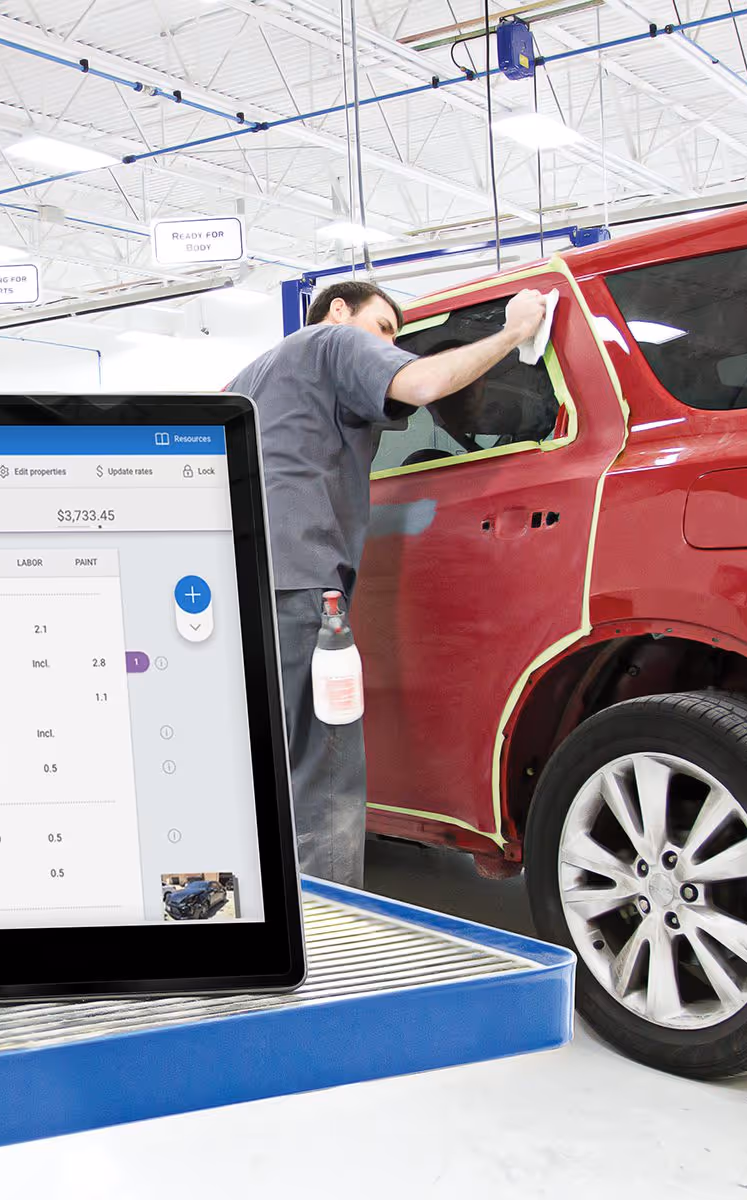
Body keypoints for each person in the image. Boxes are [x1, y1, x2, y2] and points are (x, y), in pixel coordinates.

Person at [226, 280, 548, 887]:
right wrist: (514, 332)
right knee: (324, 769)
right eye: (384, 330)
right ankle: (332, 940)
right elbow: (423, 385)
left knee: (262, 767)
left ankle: (266, 921)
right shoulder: (331, 341)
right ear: (340, 310)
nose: (389, 345)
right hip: (301, 580)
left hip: (237, 586)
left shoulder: (246, 378)